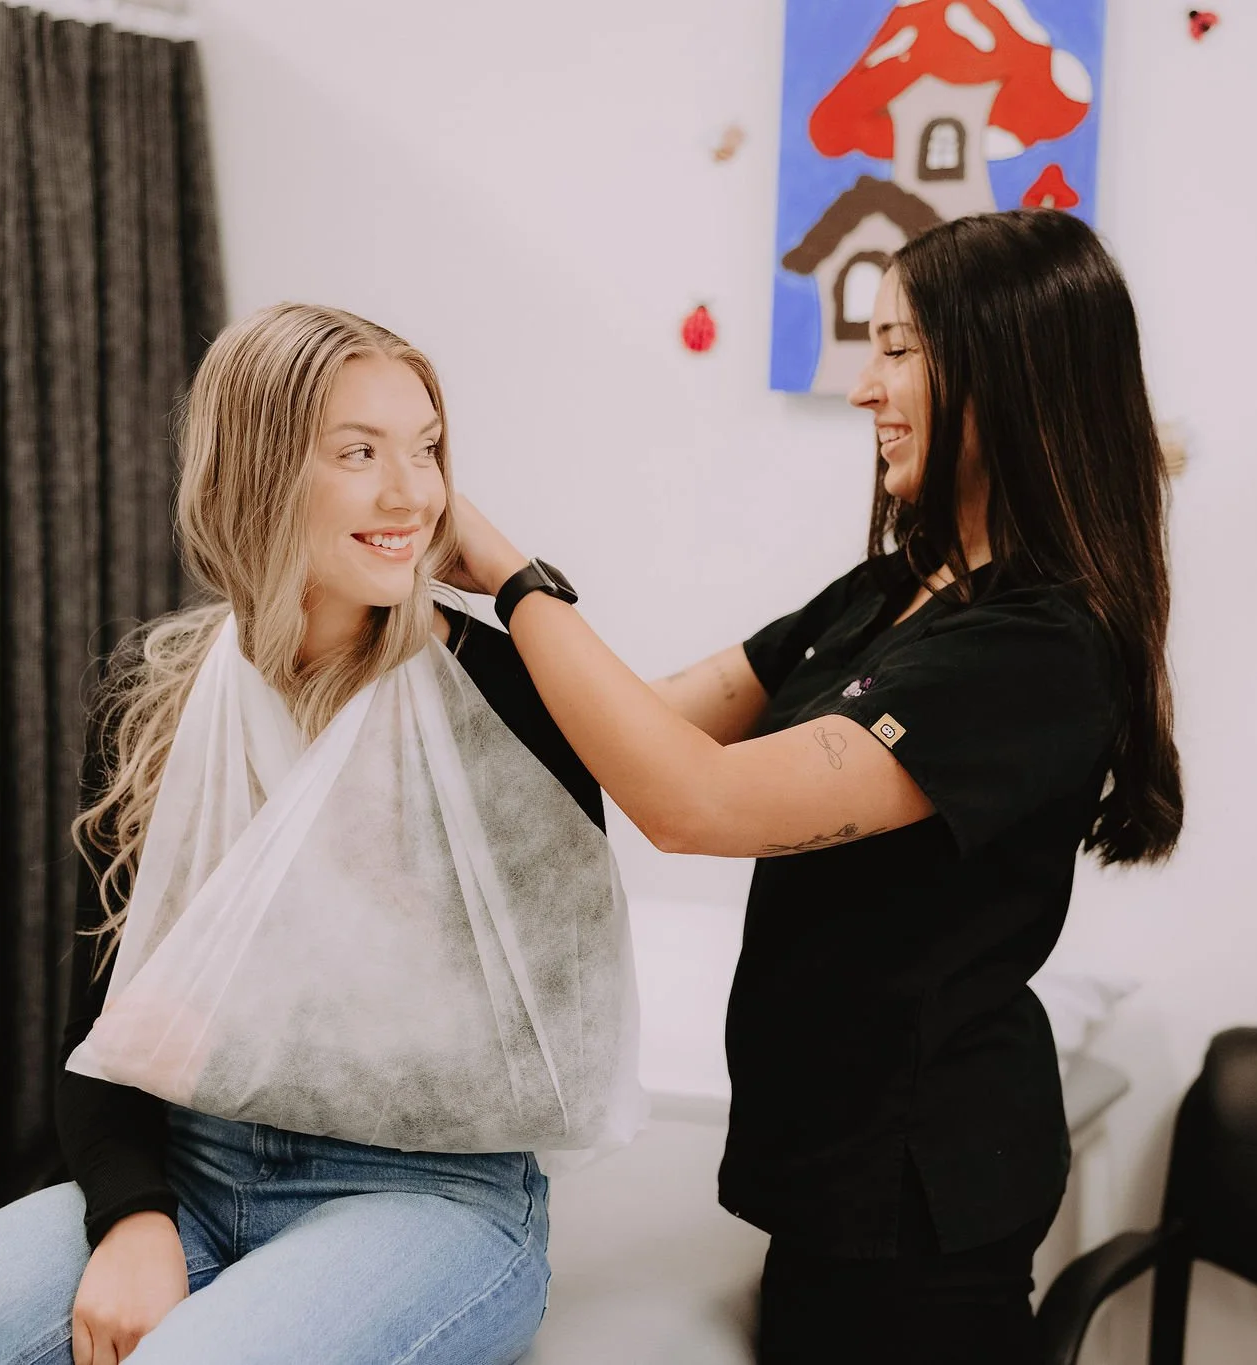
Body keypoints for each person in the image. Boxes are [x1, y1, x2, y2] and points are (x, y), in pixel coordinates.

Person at [0, 303, 613, 1365]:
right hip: (192, 1169)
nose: (412, 493)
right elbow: (102, 1028)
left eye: (426, 449)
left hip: (429, 1195)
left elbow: (558, 1034)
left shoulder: (500, 696)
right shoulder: (160, 700)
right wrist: (131, 1216)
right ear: (259, 472)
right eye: (358, 453)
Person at [444, 209, 1183, 1363]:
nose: (862, 390)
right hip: (833, 1179)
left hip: (920, 1199)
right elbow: (644, 722)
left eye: (896, 348)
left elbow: (695, 802)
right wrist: (417, 630)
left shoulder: (1036, 650)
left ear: (1007, 370)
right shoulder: (893, 588)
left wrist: (511, 577)